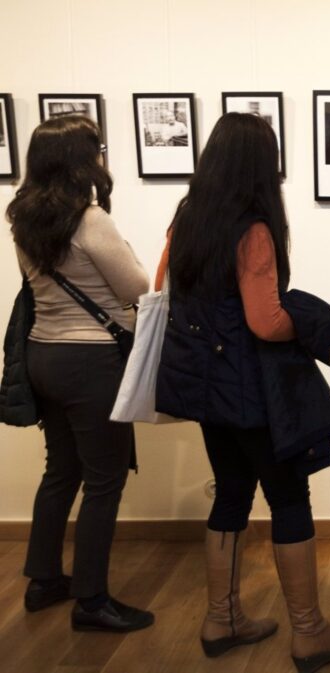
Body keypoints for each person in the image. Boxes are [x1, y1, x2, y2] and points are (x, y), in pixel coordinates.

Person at [153, 113, 330, 671]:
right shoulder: (253, 230)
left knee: (230, 495)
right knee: (289, 499)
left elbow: (164, 290)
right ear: (260, 167)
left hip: (203, 392)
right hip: (253, 392)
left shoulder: (187, 219)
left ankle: (220, 619)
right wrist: (308, 321)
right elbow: (265, 321)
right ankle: (310, 631)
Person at [6, 116, 153, 631]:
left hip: (43, 355)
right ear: (77, 159)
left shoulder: (21, 217)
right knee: (104, 481)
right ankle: (91, 600)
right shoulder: (90, 221)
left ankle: (44, 580)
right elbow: (136, 288)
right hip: (92, 363)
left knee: (60, 472)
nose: (102, 157)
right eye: (97, 148)